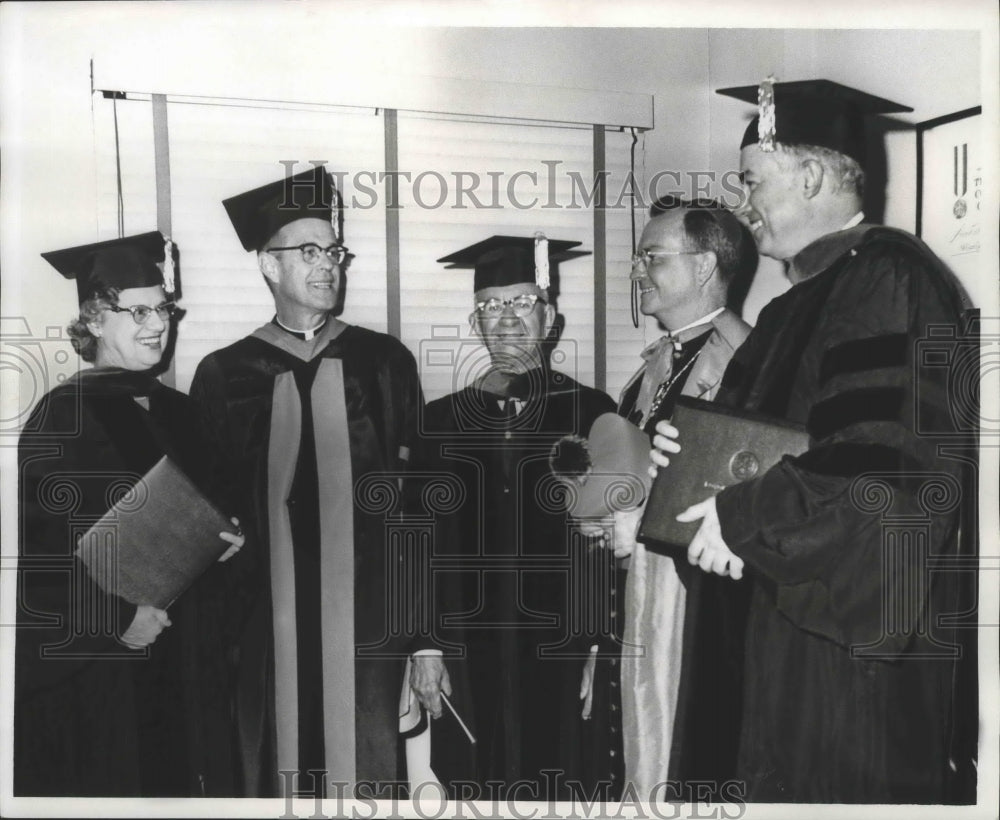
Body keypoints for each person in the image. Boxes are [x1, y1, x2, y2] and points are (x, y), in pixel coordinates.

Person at [651, 78, 976, 803]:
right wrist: (682, 476)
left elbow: (880, 474)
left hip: (839, 680)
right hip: (773, 647)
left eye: (751, 181)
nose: (742, 203)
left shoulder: (892, 282)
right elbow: (758, 465)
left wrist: (737, 516)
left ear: (814, 174)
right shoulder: (791, 309)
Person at [189, 165, 446, 798]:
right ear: (268, 266)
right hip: (263, 631)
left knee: (368, 773)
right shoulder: (224, 375)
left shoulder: (384, 363)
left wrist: (425, 638)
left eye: (333, 250)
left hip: (371, 625)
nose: (328, 264)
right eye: (308, 252)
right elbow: (205, 518)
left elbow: (417, 510)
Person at [15, 232, 244, 796]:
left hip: (189, 657)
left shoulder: (182, 411)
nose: (158, 324)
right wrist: (118, 619)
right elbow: (41, 564)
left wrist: (229, 538)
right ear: (93, 321)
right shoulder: (61, 418)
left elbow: (213, 510)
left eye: (163, 308)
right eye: (137, 310)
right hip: (110, 667)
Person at [421, 234, 616, 800]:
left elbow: (605, 543)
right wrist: (423, 647)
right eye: (489, 306)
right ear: (474, 322)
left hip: (560, 648)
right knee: (471, 787)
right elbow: (414, 543)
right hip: (464, 646)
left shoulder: (591, 412)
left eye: (521, 303)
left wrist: (598, 644)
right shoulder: (439, 423)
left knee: (562, 782)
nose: (504, 318)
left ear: (550, 318)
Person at [589, 200, 756, 801]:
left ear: (705, 264)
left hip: (703, 615)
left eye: (651, 257)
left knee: (691, 764)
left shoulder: (751, 365)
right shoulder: (650, 368)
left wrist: (647, 520)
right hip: (639, 602)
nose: (638, 270)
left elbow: (746, 506)